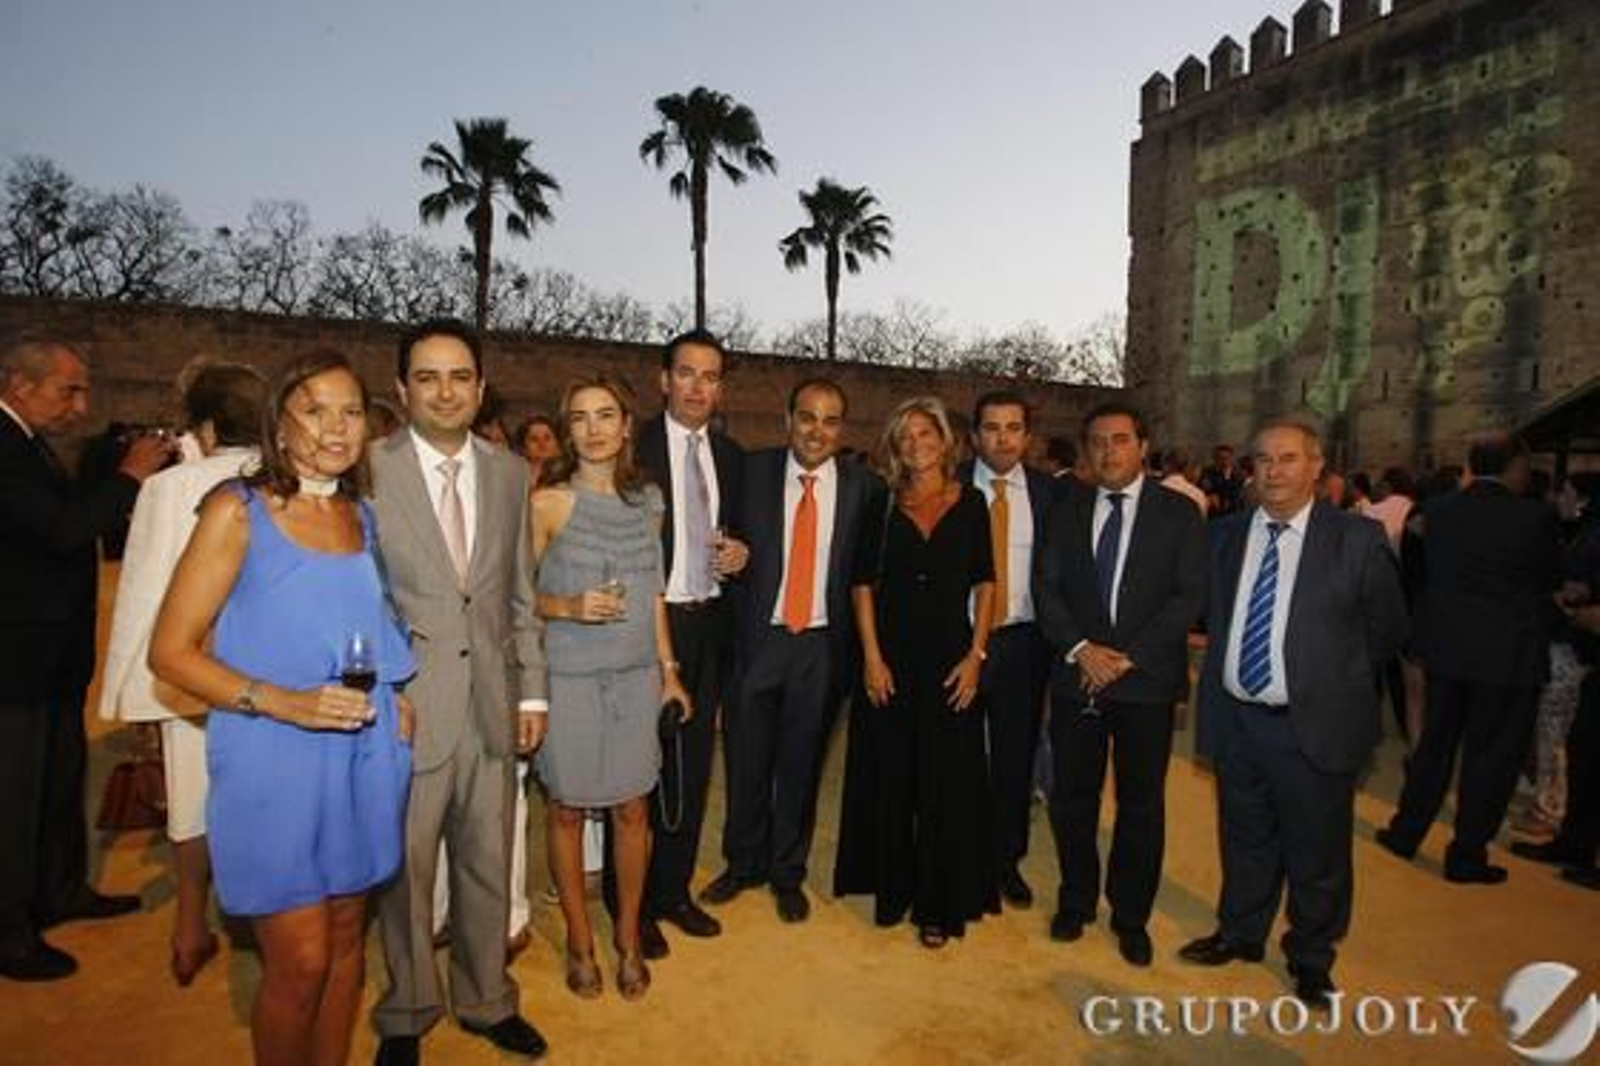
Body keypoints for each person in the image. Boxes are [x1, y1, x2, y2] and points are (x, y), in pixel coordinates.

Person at [148, 350, 415, 1066]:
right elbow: (170, 653)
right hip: (274, 756)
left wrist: (398, 697)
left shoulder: (360, 515)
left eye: (351, 411)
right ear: (280, 422)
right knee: (297, 961)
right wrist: (283, 703)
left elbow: (373, 625)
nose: (336, 427)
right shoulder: (237, 510)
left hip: (362, 752)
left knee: (347, 939)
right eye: (315, 409)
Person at [1179, 417, 1406, 1010]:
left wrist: (1330, 685)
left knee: (1318, 852)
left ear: (1316, 467)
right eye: (1262, 460)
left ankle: (1310, 957)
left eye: (1287, 459)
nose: (1273, 471)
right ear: (1249, 470)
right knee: (1245, 838)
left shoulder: (1356, 540)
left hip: (1315, 726)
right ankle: (1240, 933)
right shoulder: (1224, 535)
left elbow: (1386, 632)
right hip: (1238, 720)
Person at [369, 319, 549, 1064]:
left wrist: (531, 694)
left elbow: (518, 595)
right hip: (409, 708)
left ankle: (485, 999)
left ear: (480, 388)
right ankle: (408, 1012)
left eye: (459, 377)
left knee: (487, 859)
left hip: (492, 704)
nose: (445, 391)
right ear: (402, 388)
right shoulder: (368, 469)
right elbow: (361, 595)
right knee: (405, 872)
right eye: (427, 377)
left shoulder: (510, 473)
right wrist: (382, 691)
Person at [0, 329, 170, 983]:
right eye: (68, 389)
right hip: (13, 665)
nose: (79, 404)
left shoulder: (32, 446)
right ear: (21, 385)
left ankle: (60, 889)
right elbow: (62, 529)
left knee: (55, 782)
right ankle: (11, 929)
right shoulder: (3, 448)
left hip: (51, 661)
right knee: (12, 800)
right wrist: (128, 477)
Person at [98, 361, 267, 986]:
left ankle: (190, 923)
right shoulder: (284, 479)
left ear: (204, 423)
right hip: (274, 677)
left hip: (191, 672)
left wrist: (142, 695)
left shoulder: (169, 489)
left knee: (191, 804)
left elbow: (145, 593)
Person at [531, 375, 689, 1000]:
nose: (593, 428)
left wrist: (670, 672)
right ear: (567, 430)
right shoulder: (546, 503)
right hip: (567, 678)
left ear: (627, 425)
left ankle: (626, 938)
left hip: (634, 676)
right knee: (566, 812)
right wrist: (568, 605)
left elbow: (653, 596)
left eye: (606, 415)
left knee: (632, 810)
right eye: (579, 417)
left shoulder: (650, 502)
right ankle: (578, 940)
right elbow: (514, 601)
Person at [702, 378, 881, 924]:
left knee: (802, 766)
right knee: (746, 760)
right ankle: (742, 864)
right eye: (807, 417)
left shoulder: (864, 488)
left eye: (830, 421)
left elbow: (869, 574)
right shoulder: (750, 472)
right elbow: (722, 534)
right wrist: (732, 552)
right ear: (788, 419)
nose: (817, 431)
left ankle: (787, 872)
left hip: (823, 648)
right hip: (758, 640)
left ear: (841, 430)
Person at [1035, 402, 1206, 966]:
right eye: (1098, 442)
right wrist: (1082, 650)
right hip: (1076, 677)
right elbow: (1048, 590)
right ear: (1086, 451)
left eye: (1120, 440)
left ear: (1144, 445)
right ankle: (1076, 900)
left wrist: (1129, 656)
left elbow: (1189, 597)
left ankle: (1130, 916)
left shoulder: (1179, 513)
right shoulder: (1065, 509)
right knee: (1072, 799)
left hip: (1145, 683)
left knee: (1140, 806)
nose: (1108, 451)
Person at [837, 397, 997, 948]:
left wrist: (976, 657)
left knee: (945, 781)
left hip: (953, 657)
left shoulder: (972, 502)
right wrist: (872, 658)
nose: (915, 444)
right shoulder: (881, 503)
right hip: (894, 656)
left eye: (925, 433)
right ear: (895, 446)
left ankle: (938, 902)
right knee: (894, 774)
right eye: (905, 436)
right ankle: (894, 888)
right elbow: (861, 585)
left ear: (944, 438)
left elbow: (986, 584)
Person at [608, 329, 747, 959]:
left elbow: (739, 536)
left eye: (710, 376)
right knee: (636, 770)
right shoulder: (628, 452)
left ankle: (672, 892)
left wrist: (743, 552)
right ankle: (627, 903)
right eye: (686, 374)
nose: (697, 387)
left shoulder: (732, 455)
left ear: (721, 388)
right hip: (643, 628)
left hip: (707, 624)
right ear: (663, 380)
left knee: (691, 766)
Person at [1378, 433, 1561, 884]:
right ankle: (1466, 853)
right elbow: (1548, 580)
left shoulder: (1438, 511)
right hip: (1507, 653)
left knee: (1435, 744)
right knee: (1491, 756)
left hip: (1447, 647)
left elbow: (1419, 570)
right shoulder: (1535, 518)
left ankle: (1406, 831)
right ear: (1515, 467)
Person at [959, 390, 1057, 907]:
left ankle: (1006, 861)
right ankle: (956, 855)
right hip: (959, 643)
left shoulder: (1051, 495)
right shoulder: (948, 487)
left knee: (1015, 759)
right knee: (957, 754)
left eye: (1013, 428)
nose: (1002, 438)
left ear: (1027, 436)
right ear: (974, 436)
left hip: (1023, 643)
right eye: (992, 428)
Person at [513, 414, 560, 489]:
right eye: (534, 439)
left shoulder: (568, 479)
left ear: (557, 444)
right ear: (523, 448)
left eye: (547, 438)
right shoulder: (514, 479)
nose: (542, 444)